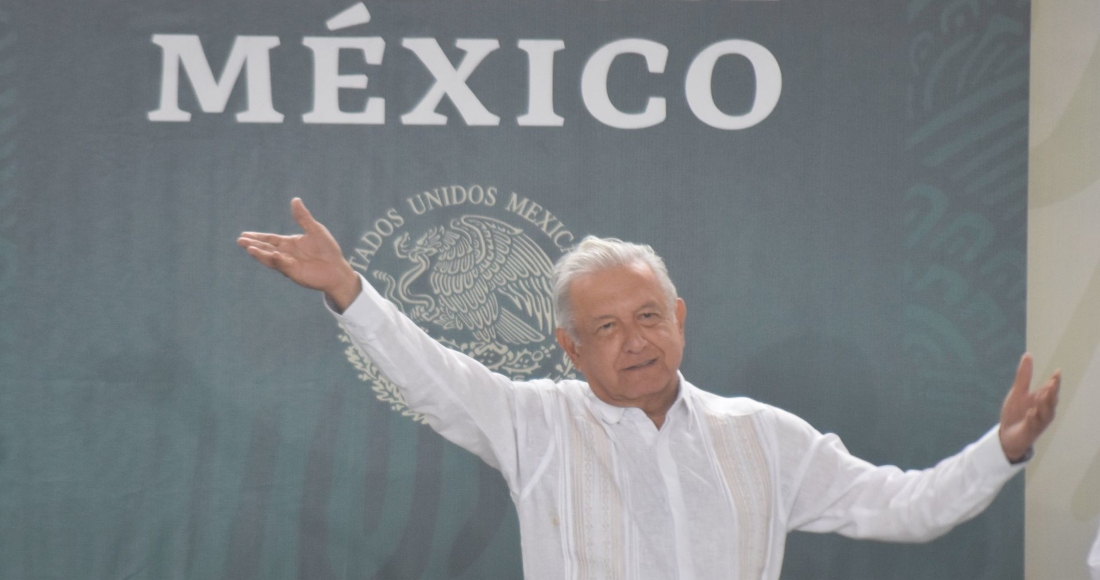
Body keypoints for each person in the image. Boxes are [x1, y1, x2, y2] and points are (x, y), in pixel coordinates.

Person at [238, 198, 1061, 580]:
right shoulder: (536, 424)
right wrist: (349, 290)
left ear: (679, 317)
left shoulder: (764, 437)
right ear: (568, 346)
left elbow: (905, 508)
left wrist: (1004, 449)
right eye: (606, 328)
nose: (635, 340)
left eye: (648, 315)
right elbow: (429, 374)